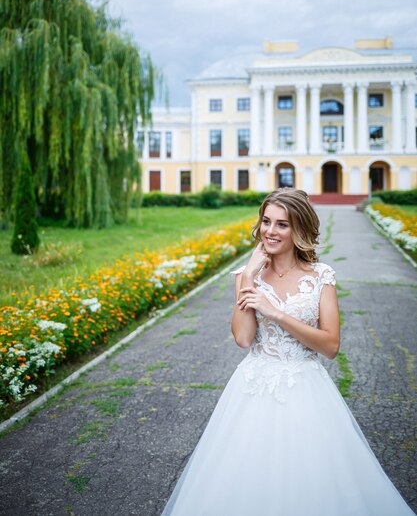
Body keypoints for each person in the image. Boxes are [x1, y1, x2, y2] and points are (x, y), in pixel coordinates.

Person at [161, 189, 415, 515]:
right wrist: (250, 277)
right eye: (266, 221)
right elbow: (242, 338)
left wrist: (277, 313)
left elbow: (330, 345)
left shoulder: (320, 277)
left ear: (299, 230)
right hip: (252, 388)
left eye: (282, 224)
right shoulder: (247, 277)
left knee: (310, 479)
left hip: (305, 388)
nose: (270, 231)